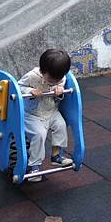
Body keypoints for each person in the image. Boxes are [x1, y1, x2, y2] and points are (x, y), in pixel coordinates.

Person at [18, 49, 74, 182]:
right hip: (32, 114)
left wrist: (60, 92)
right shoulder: (32, 76)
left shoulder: (61, 78)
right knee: (39, 134)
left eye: (58, 79)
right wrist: (30, 90)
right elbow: (18, 87)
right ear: (43, 71)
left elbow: (60, 92)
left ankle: (56, 156)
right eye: (51, 79)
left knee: (61, 125)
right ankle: (34, 166)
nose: (55, 82)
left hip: (51, 111)